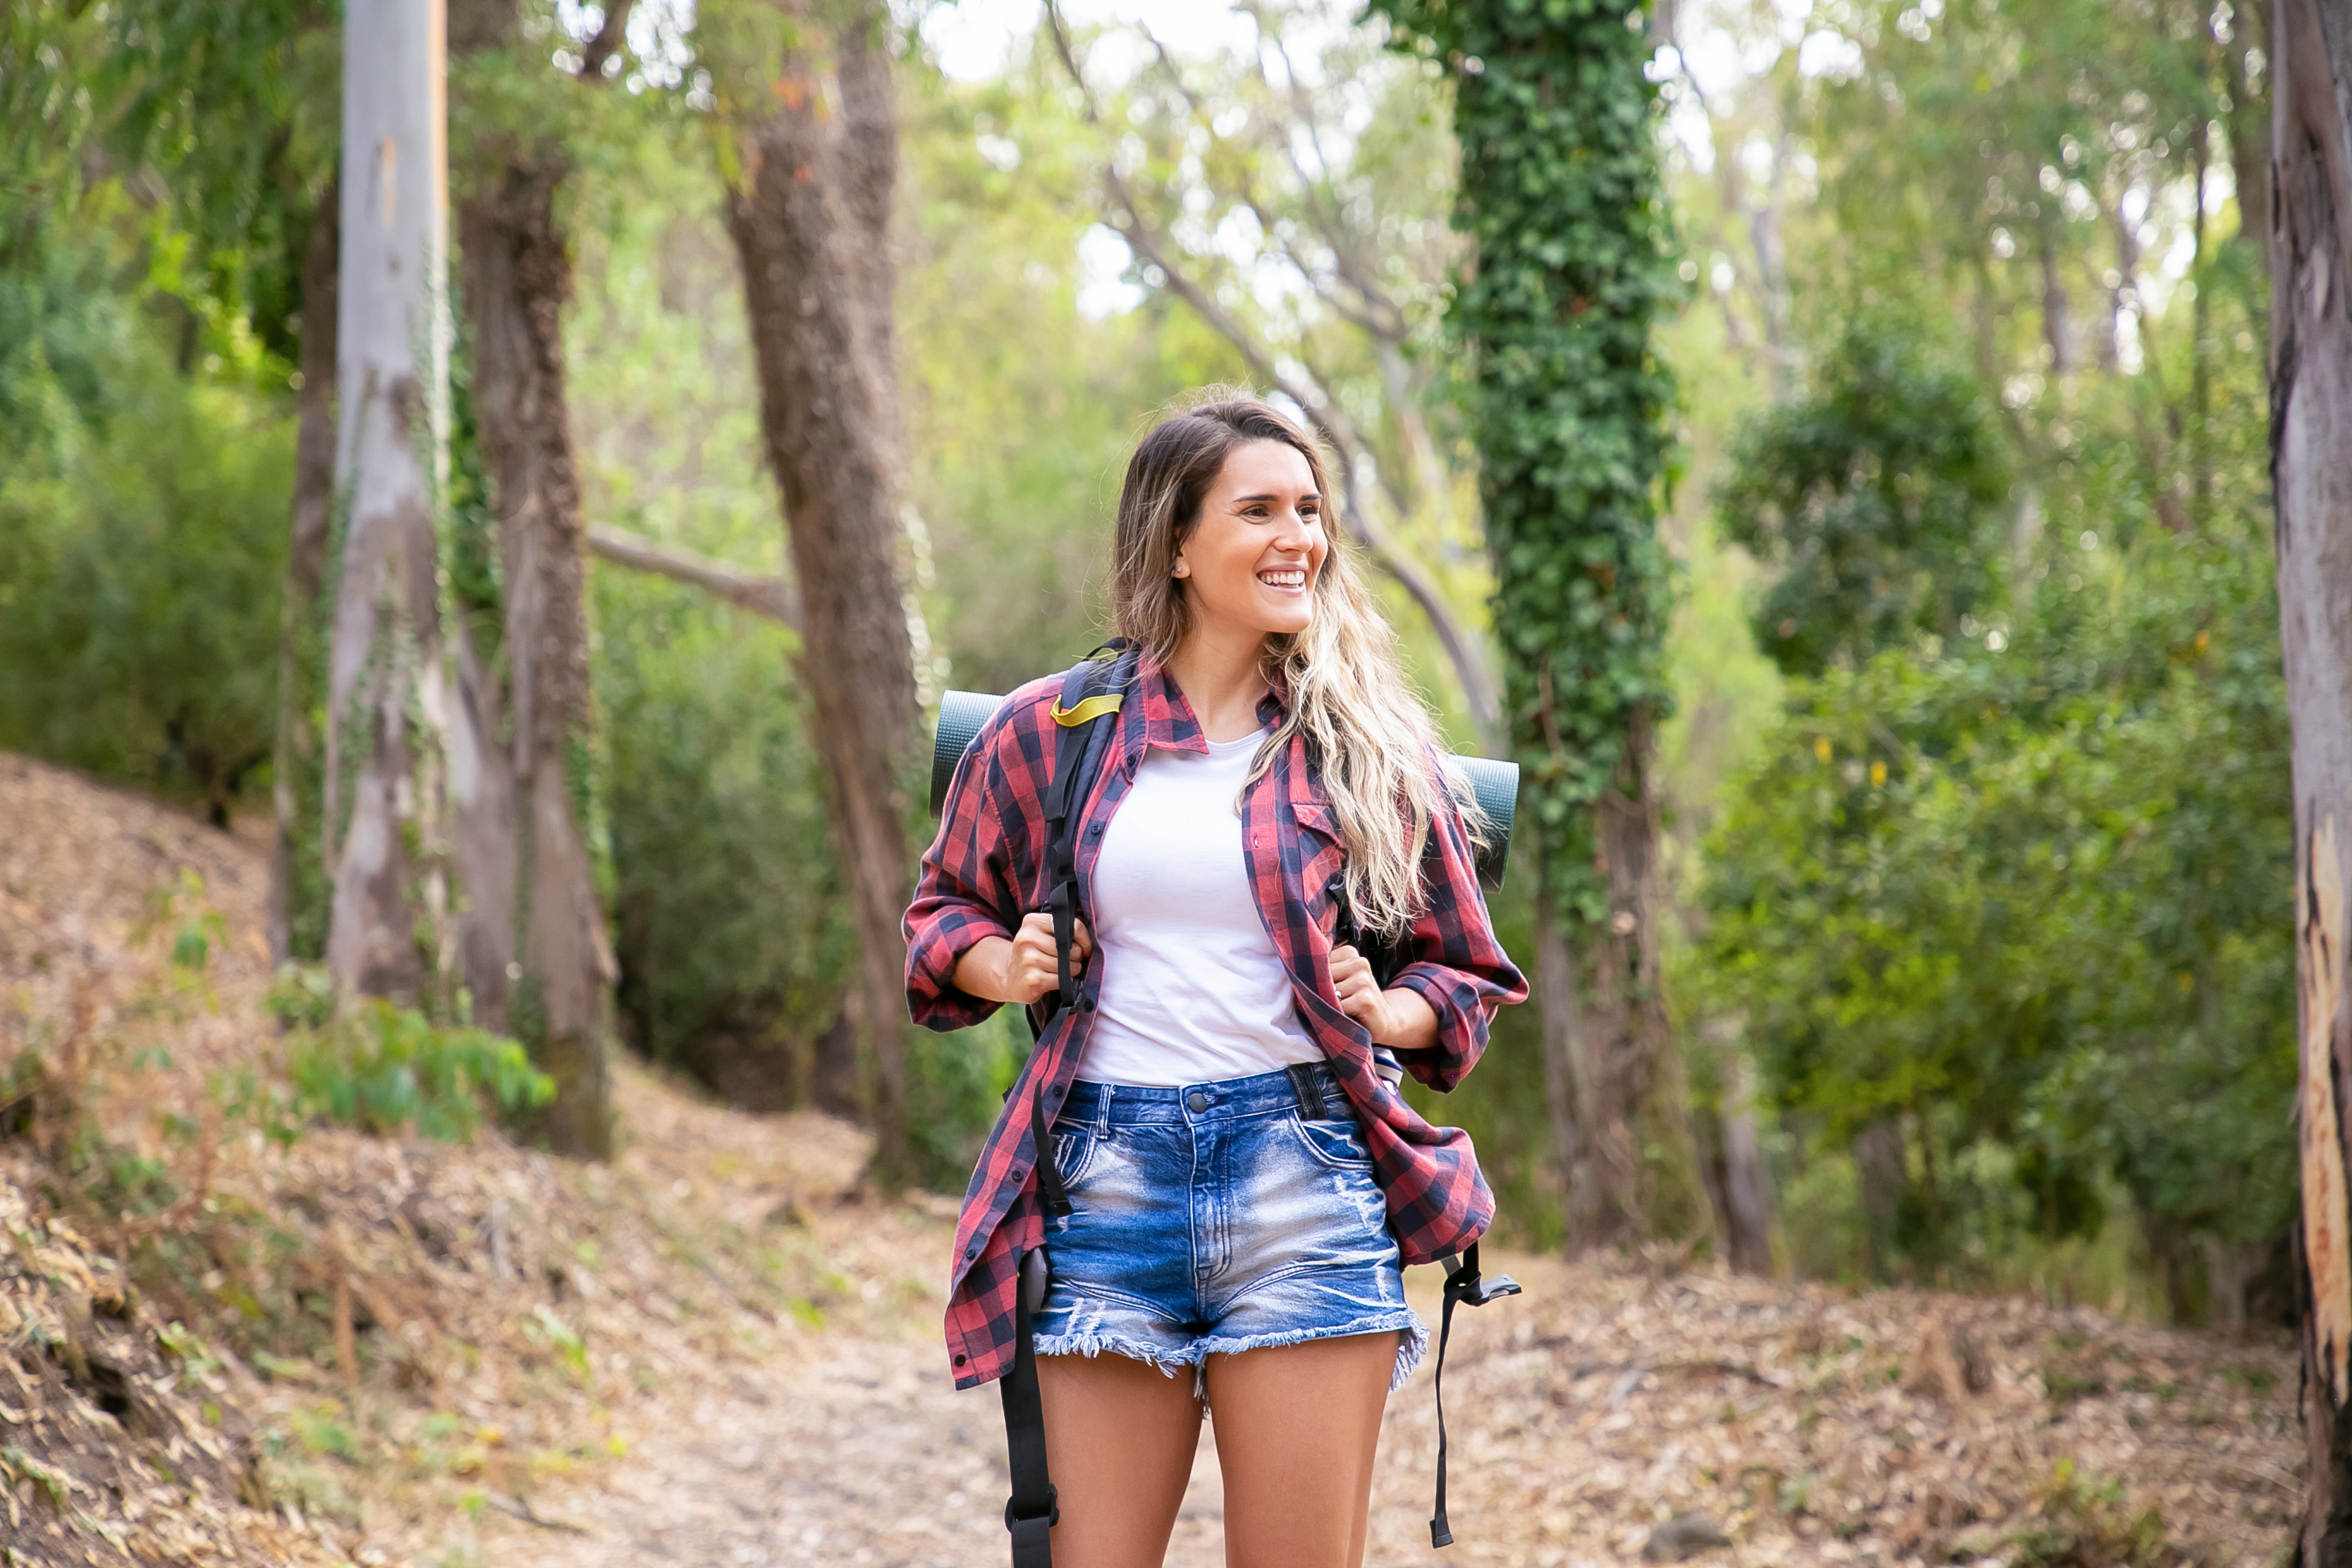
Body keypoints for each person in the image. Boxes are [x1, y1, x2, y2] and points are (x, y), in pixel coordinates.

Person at [905, 392, 1526, 1568]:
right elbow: (942, 915)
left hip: (1304, 1182)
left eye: (1309, 509)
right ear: (1179, 546)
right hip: (1103, 1188)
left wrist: (1386, 1005)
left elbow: (1465, 967)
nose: (1299, 535)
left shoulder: (1367, 748)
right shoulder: (1056, 728)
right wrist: (1004, 961)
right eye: (1259, 510)